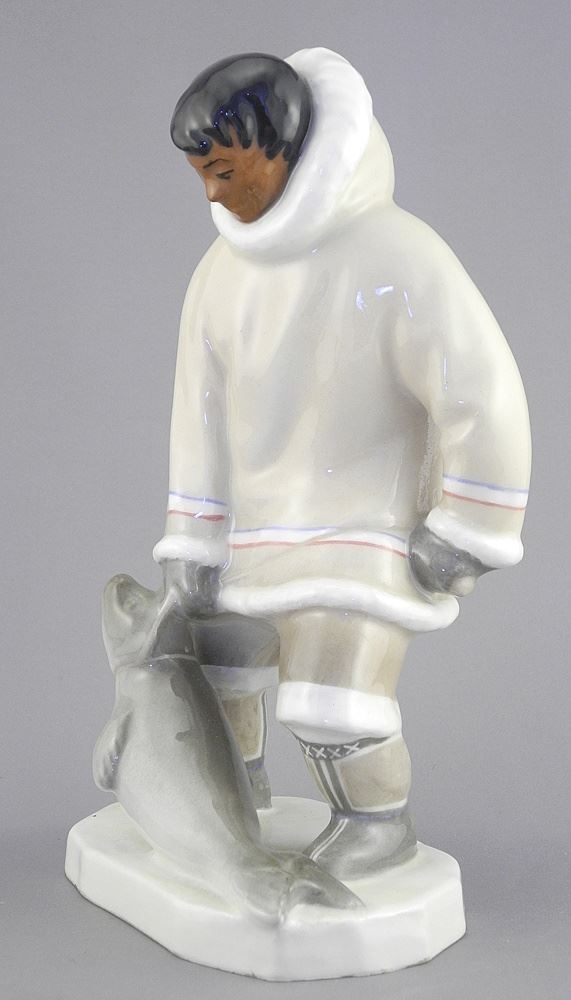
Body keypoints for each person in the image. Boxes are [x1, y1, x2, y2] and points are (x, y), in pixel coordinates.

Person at [153, 47, 531, 881]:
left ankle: (375, 821)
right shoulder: (217, 276)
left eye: (223, 171)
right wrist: (193, 538)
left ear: (278, 149)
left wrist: (466, 528)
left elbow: (481, 392)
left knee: (332, 699)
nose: (211, 195)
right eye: (200, 175)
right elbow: (198, 415)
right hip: (253, 533)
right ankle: (233, 793)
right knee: (209, 669)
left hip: (362, 532)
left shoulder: (397, 255)